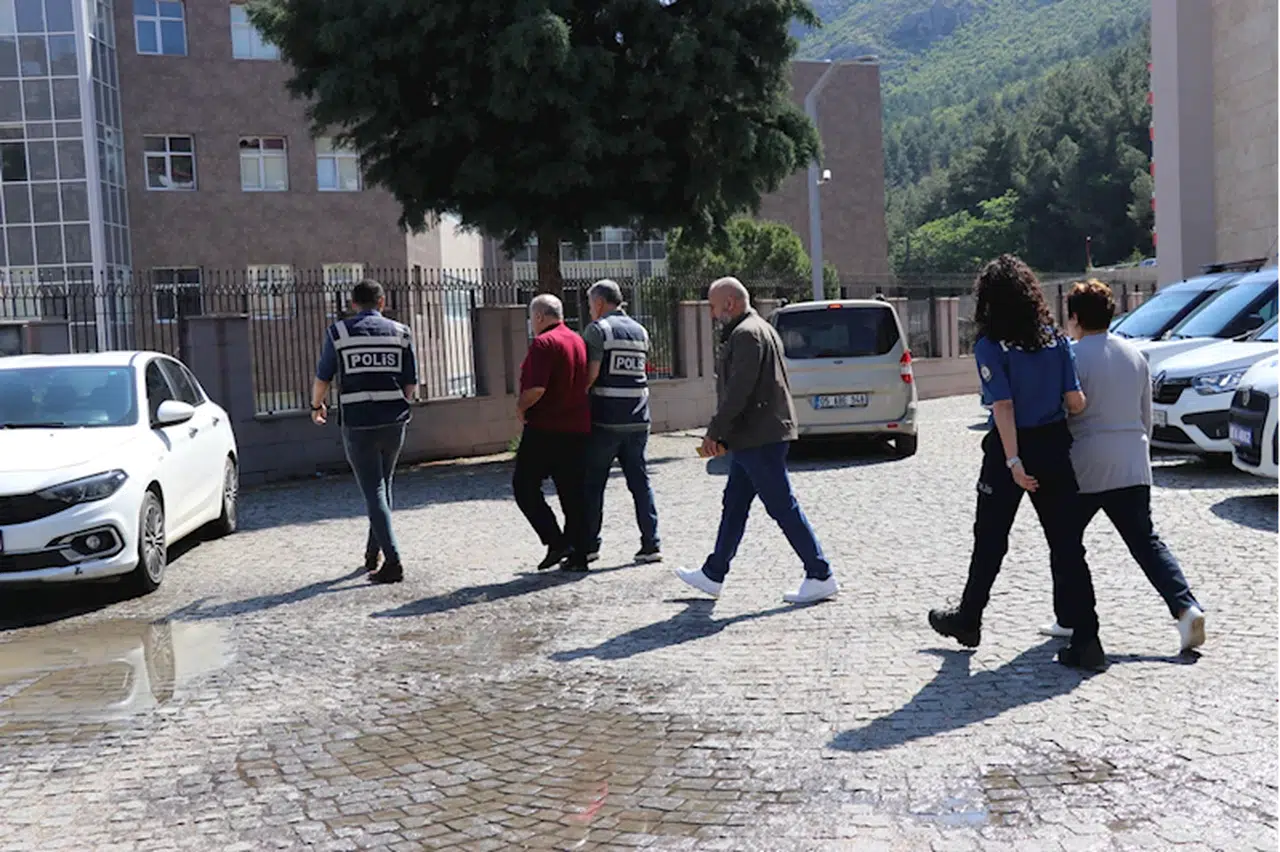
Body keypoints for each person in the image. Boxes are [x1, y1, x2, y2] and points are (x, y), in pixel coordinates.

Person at [927, 255, 1106, 671]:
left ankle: (969, 618)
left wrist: (1013, 461)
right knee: (1067, 544)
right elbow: (1075, 401)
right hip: (1054, 444)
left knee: (990, 537)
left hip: (1011, 449)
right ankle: (1088, 638)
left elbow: (1003, 406)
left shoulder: (990, 346)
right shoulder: (1055, 340)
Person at [1035, 279, 1205, 652]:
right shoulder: (1135, 356)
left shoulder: (1071, 357)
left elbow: (1061, 413)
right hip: (1132, 460)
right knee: (1146, 543)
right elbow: (1145, 417)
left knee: (1064, 540)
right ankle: (1185, 607)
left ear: (1075, 317)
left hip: (1085, 463)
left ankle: (1069, 618)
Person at [674, 277, 838, 605]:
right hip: (755, 435)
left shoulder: (746, 334)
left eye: (714, 306)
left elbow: (739, 390)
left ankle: (820, 574)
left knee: (782, 506)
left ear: (730, 303)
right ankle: (714, 573)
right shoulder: (759, 328)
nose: (712, 314)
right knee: (734, 504)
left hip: (759, 436)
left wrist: (715, 431)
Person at [311, 279, 417, 584]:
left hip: (358, 421)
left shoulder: (338, 333)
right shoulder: (402, 332)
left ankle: (393, 561)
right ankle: (373, 554)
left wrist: (316, 405)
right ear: (382, 302)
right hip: (394, 419)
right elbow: (410, 383)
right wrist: (399, 405)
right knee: (384, 485)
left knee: (374, 490)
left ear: (353, 304)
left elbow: (323, 377)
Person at [581, 279, 662, 565]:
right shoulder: (640, 331)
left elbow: (591, 375)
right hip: (638, 419)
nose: (590, 310)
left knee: (594, 484)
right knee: (640, 483)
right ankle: (651, 543)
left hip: (606, 420)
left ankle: (589, 545)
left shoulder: (598, 330)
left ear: (599, 303)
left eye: (590, 304)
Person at [513, 294, 592, 572]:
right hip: (577, 427)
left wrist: (520, 407)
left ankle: (555, 540)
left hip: (545, 427)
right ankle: (579, 553)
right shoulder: (577, 340)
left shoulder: (544, 343)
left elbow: (536, 389)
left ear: (539, 317)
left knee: (524, 487)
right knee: (573, 494)